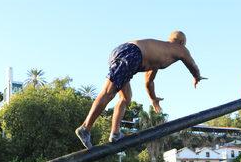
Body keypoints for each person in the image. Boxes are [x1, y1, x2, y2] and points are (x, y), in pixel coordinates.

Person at [75, 30, 205, 148]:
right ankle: (85, 128)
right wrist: (197, 76)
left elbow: (149, 82)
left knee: (126, 98)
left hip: (125, 52)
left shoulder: (158, 53)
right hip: (132, 53)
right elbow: (192, 64)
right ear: (182, 42)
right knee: (108, 93)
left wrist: (153, 99)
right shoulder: (179, 48)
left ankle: (115, 133)